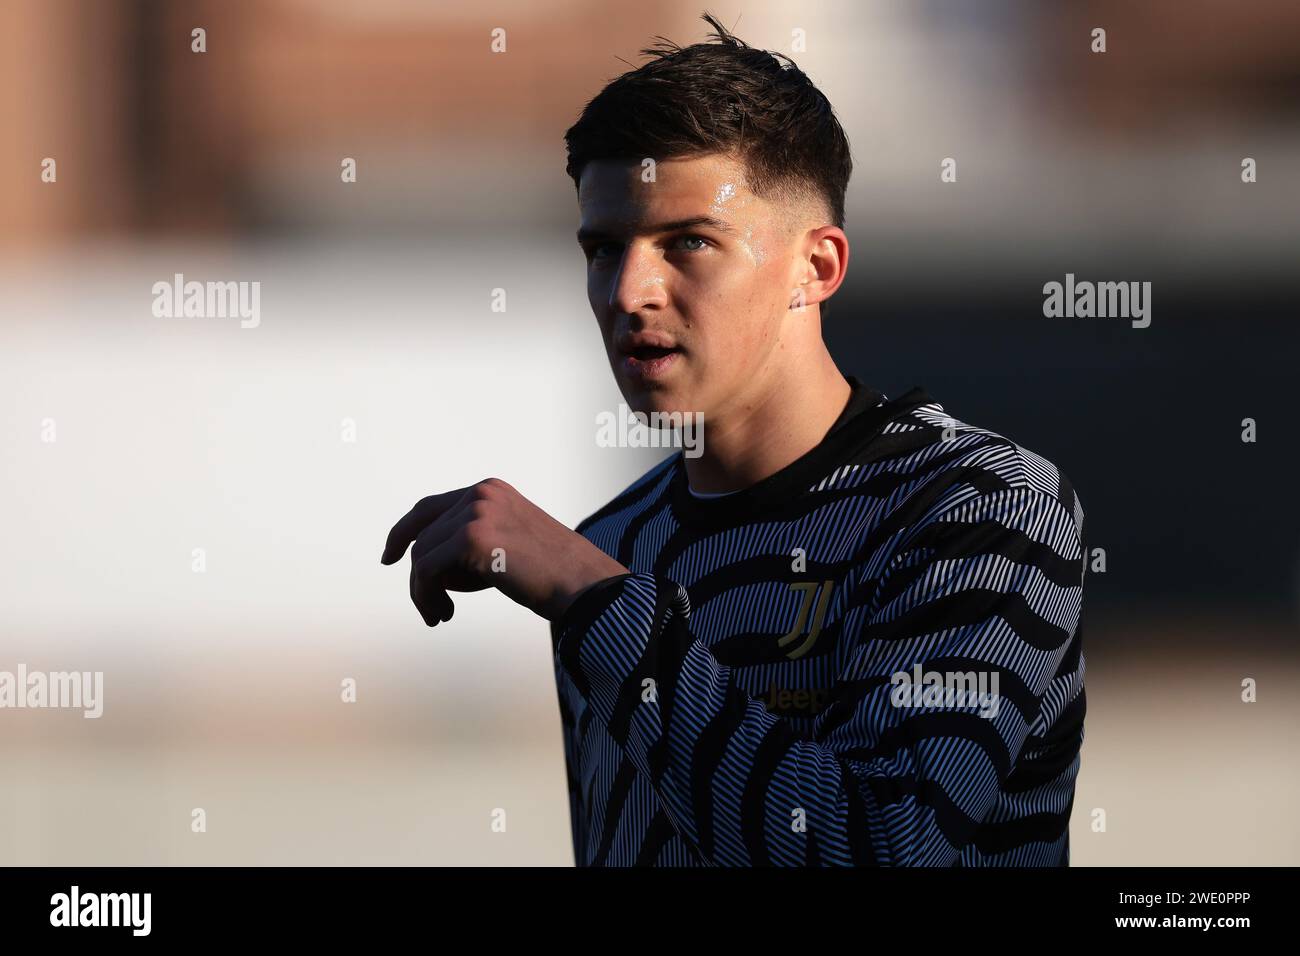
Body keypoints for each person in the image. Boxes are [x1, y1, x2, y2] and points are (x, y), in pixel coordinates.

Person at [381, 12, 1086, 866]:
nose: (630, 291)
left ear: (815, 268)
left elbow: (880, 850)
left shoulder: (982, 509)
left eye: (688, 243)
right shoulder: (620, 542)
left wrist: (592, 599)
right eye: (605, 249)